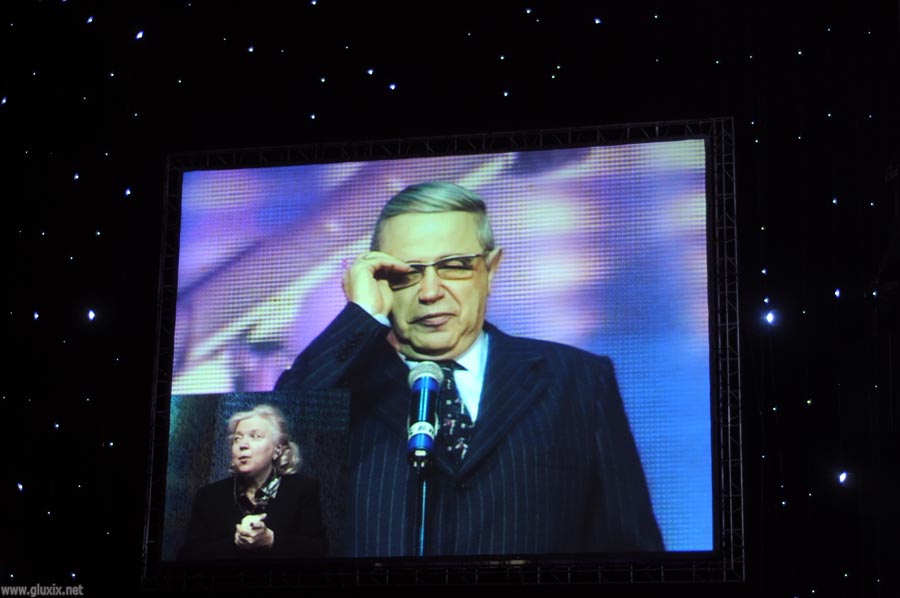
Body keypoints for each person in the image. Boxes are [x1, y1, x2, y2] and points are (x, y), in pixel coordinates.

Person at [275, 181, 663, 556]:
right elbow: (264, 450)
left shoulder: (577, 380)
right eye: (406, 274)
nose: (430, 292)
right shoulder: (341, 388)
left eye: (454, 267)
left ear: (490, 270)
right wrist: (359, 316)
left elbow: (629, 549)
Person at [178, 404, 328, 559]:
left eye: (255, 436)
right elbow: (188, 557)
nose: (243, 445)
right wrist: (236, 543)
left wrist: (271, 540)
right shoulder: (209, 496)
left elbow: (318, 550)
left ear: (278, 449)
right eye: (237, 439)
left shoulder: (303, 489)